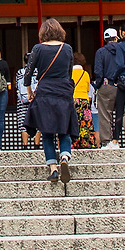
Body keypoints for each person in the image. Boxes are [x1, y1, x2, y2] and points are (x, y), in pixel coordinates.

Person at [24, 18, 75, 182]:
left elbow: (28, 74)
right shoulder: (67, 48)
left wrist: (30, 92)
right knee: (64, 130)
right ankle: (65, 157)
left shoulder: (38, 48)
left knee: (47, 133)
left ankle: (53, 169)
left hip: (45, 93)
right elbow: (69, 74)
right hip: (63, 92)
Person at [71, 52, 95, 149]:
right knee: (85, 122)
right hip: (84, 100)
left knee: (72, 122)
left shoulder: (69, 74)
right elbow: (88, 88)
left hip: (72, 99)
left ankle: (73, 142)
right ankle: (86, 143)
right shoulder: (85, 74)